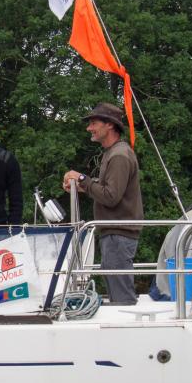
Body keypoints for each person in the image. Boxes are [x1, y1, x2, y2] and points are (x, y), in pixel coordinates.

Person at [61, 102, 144, 304]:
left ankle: (126, 322)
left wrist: (82, 179)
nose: (89, 128)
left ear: (110, 125)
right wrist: (82, 187)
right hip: (115, 234)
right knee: (117, 291)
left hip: (118, 234)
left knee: (121, 297)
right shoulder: (114, 152)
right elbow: (110, 190)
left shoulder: (119, 155)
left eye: (93, 123)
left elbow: (110, 196)